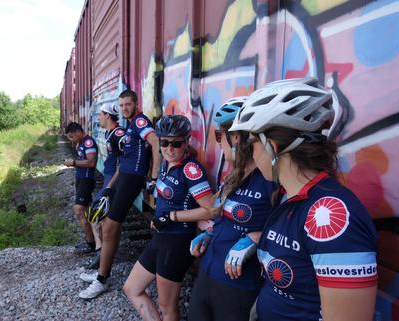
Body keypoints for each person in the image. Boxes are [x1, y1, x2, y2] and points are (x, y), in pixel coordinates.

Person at [230, 78, 378, 321]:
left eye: (252, 143)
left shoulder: (331, 216)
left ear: (273, 148)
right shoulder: (289, 197)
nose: (250, 153)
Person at [187, 97, 275, 321]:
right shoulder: (232, 176)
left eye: (219, 136)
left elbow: (291, 234)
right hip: (208, 272)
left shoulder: (269, 179)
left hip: (239, 285)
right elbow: (220, 216)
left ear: (236, 137)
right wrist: (208, 233)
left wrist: (257, 237)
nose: (218, 143)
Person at [123, 115, 214, 321]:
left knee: (167, 309)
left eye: (176, 143)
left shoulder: (191, 170)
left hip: (177, 242)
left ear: (187, 141)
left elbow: (210, 210)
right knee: (131, 288)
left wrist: (173, 216)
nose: (169, 148)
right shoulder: (166, 163)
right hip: (161, 237)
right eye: (164, 142)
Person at [79, 89, 161, 299]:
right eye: (122, 105)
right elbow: (122, 163)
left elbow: (155, 143)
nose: (125, 108)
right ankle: (101, 274)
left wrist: (153, 177)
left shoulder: (140, 122)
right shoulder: (130, 125)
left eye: (128, 104)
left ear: (136, 104)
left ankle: (101, 280)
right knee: (107, 227)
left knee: (111, 227)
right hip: (123, 176)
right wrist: (109, 187)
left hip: (133, 178)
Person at [86, 103, 126, 269]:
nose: (98, 118)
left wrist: (110, 185)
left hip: (113, 181)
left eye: (100, 115)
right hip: (110, 179)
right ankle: (102, 252)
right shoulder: (110, 133)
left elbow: (125, 161)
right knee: (99, 217)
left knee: (97, 215)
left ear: (108, 115)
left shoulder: (119, 134)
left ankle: (102, 254)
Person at [64, 122, 98, 255]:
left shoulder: (88, 142)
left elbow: (91, 162)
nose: (72, 139)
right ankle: (95, 241)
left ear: (79, 132)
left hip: (86, 180)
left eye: (72, 136)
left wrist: (72, 162)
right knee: (87, 211)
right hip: (81, 179)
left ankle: (91, 244)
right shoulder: (81, 142)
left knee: (78, 209)